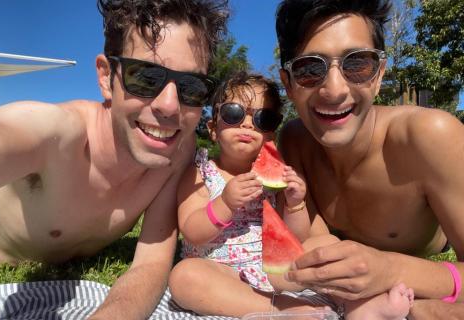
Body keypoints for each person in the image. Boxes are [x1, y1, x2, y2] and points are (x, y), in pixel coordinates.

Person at [0, 0, 228, 319]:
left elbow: (152, 262)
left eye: (191, 87)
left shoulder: (177, 154)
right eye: (146, 77)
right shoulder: (57, 133)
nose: (169, 106)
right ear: (105, 78)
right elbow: (0, 137)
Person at [168, 71, 414, 319]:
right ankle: (283, 309)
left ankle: (359, 307)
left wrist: (295, 205)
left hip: (275, 269)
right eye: (234, 113)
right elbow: (192, 230)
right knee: (184, 277)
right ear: (213, 128)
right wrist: (225, 203)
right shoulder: (200, 172)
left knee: (328, 245)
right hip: (221, 272)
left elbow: (295, 237)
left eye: (262, 118)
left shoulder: (275, 178)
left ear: (271, 134)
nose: (246, 124)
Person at [275, 0, 464, 318]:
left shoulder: (429, 136)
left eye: (357, 64)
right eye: (310, 70)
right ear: (288, 84)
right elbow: (313, 244)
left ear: (379, 75)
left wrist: (390, 269)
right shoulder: (295, 141)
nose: (334, 90)